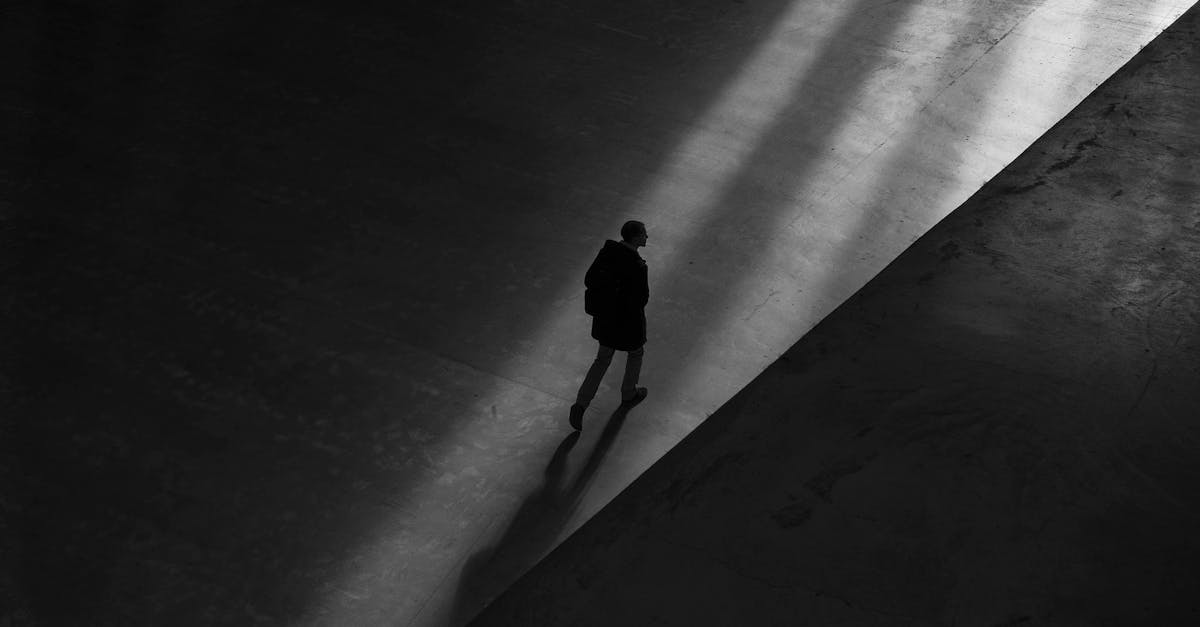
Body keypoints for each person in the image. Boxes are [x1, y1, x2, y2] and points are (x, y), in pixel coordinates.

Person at [569, 220, 650, 430]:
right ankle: (628, 392)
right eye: (643, 234)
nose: (646, 237)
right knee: (636, 353)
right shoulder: (637, 266)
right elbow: (641, 299)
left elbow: (589, 279)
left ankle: (581, 403)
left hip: (605, 319)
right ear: (635, 238)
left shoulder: (607, 253)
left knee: (602, 359)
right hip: (627, 323)